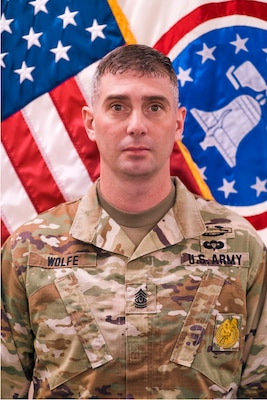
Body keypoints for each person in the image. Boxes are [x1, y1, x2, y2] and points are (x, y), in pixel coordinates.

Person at [1, 44, 267, 400]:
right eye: (117, 107)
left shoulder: (239, 246)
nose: (136, 125)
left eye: (154, 107)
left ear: (178, 123)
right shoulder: (28, 251)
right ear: (90, 123)